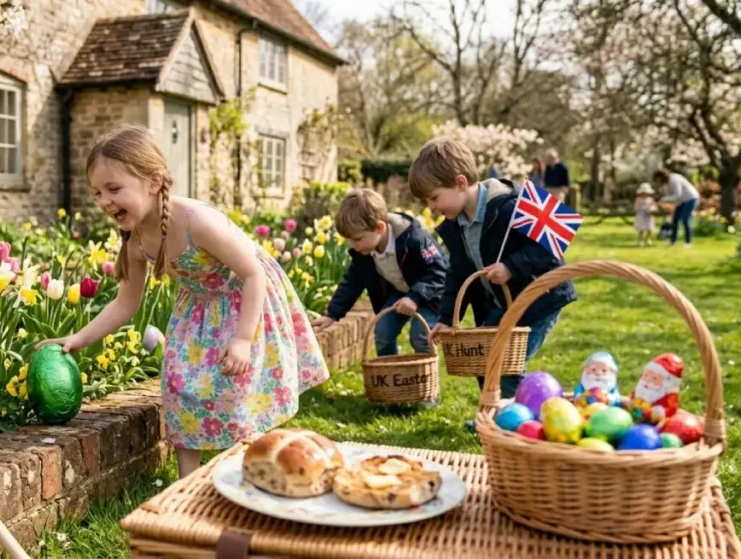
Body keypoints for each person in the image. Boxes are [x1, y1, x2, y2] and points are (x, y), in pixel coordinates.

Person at [38, 125, 329, 478]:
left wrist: (242, 339)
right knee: (179, 384)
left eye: (114, 189)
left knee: (237, 387)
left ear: (154, 182)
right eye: (97, 192)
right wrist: (78, 339)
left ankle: (253, 470)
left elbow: (253, 273)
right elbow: (125, 304)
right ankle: (185, 482)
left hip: (245, 301)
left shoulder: (197, 222)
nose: (104, 201)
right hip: (198, 310)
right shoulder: (134, 240)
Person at [408, 139, 577, 405]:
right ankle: (494, 412)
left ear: (460, 183)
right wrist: (447, 317)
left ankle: (517, 417)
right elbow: (457, 273)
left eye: (434, 197)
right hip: (503, 304)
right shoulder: (455, 225)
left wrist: (511, 267)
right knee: (483, 358)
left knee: (505, 364)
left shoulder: (510, 207)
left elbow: (550, 250)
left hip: (538, 300)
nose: (431, 207)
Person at [310, 188, 449, 359]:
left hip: (432, 293)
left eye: (357, 239)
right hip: (401, 292)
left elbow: (438, 271)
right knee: (383, 331)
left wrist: (414, 297)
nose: (352, 245)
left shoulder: (413, 239)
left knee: (420, 335)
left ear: (379, 228)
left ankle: (425, 373)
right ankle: (390, 373)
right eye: (350, 240)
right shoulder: (364, 252)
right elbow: (352, 282)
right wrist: (332, 314)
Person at [654, 169, 700, 247]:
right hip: (681, 201)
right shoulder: (666, 184)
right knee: (675, 220)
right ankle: (673, 241)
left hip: (691, 198)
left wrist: (663, 200)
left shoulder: (674, 179)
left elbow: (678, 195)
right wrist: (663, 202)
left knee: (685, 219)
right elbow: (670, 196)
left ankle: (688, 242)